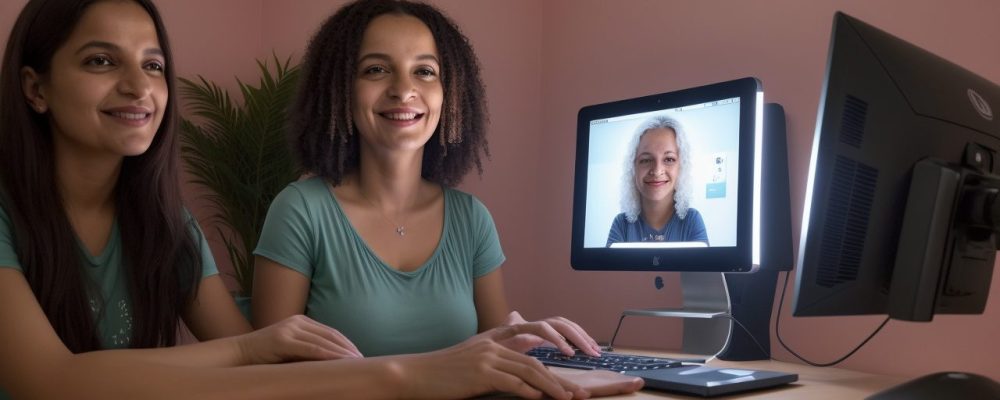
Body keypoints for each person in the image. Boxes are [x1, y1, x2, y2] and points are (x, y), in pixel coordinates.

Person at [0, 0, 640, 398]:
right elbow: (48, 382)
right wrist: (399, 374)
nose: (140, 85)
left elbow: (266, 364)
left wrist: (523, 345)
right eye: (100, 61)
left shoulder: (169, 227)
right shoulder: (8, 217)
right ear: (35, 88)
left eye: (155, 64)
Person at [251, 0, 609, 360]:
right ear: (340, 88)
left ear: (450, 93)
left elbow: (497, 352)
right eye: (376, 69)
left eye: (424, 71)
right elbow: (272, 376)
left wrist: (527, 335)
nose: (403, 90)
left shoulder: (472, 220)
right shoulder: (299, 211)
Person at [606, 115, 708, 246]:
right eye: (646, 160)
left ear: (681, 167)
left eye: (669, 159)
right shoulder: (621, 224)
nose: (657, 171)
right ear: (633, 168)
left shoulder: (692, 220)